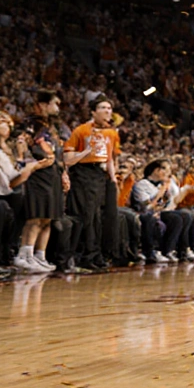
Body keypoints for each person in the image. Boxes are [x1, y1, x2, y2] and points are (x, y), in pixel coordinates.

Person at [0, 110, 56, 276]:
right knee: (1, 206)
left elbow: (15, 174)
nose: (6, 123)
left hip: (3, 192)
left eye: (8, 121)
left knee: (22, 202)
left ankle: (13, 253)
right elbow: (11, 179)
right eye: (0, 120)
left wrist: (28, 163)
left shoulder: (11, 148)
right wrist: (32, 167)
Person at [63, 97, 119, 271]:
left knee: (97, 216)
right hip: (83, 172)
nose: (107, 111)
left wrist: (113, 179)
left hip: (100, 175)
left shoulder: (112, 133)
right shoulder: (81, 131)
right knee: (86, 214)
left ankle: (96, 254)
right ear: (93, 112)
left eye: (109, 108)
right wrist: (85, 153)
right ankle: (84, 255)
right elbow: (68, 159)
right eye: (103, 107)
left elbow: (110, 157)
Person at [16, 91, 69, 272]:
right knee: (36, 216)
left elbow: (58, 154)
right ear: (43, 104)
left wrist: (63, 173)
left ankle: (40, 255)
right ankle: (24, 255)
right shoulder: (30, 123)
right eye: (55, 103)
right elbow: (22, 147)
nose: (57, 108)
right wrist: (32, 165)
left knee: (48, 218)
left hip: (53, 173)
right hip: (38, 174)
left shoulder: (53, 127)